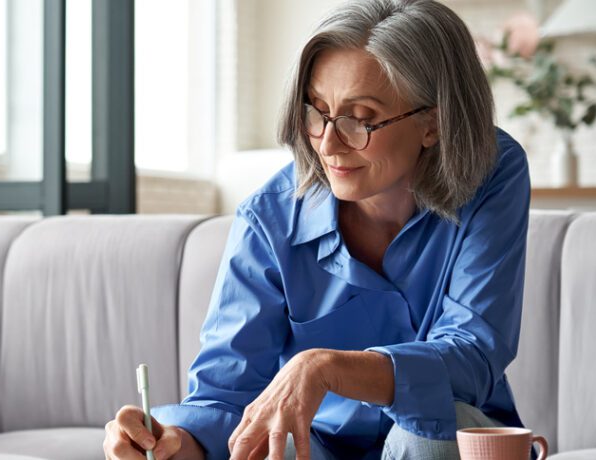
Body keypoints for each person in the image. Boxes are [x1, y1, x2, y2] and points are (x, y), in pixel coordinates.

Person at [103, 0, 531, 458]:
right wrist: (169, 443)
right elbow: (226, 398)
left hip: (445, 439)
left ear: (434, 122)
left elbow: (473, 354)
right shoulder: (268, 218)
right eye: (317, 112)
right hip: (319, 447)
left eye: (359, 118)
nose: (328, 144)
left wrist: (326, 367)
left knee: (423, 430)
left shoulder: (492, 172)